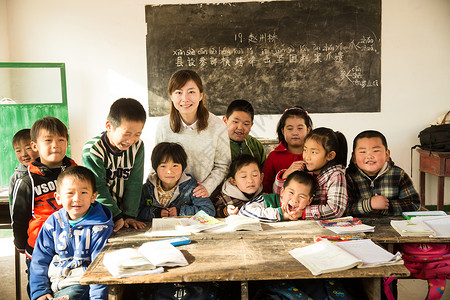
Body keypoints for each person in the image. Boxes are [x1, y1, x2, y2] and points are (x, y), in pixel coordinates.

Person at [11, 117, 76, 295]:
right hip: (39, 249)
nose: (55, 145)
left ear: (67, 143)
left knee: (70, 288)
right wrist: (22, 245)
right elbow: (19, 218)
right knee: (40, 288)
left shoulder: (76, 172)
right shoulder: (27, 181)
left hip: (73, 245)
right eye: (48, 140)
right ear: (35, 146)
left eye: (61, 140)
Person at [30, 166, 114, 300]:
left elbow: (99, 268)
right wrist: (40, 291)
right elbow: (39, 260)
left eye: (83, 193)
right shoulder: (53, 222)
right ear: (58, 197)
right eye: (70, 193)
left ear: (93, 197)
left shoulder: (99, 227)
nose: (77, 198)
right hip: (55, 284)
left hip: (81, 283)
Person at [155, 69, 231, 198]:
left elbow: (223, 165)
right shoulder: (163, 125)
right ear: (171, 96)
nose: (185, 99)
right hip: (170, 197)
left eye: (191, 92)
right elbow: (156, 164)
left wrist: (207, 187)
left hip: (203, 196)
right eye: (179, 92)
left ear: (201, 95)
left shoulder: (217, 126)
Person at [82, 98, 147, 232]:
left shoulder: (138, 146)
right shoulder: (93, 151)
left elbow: (135, 181)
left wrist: (129, 215)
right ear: (109, 126)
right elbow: (97, 187)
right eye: (126, 133)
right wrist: (116, 215)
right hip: (101, 213)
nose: (131, 140)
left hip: (126, 213)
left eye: (137, 134)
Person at [273, 127, 348, 219]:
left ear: (330, 155)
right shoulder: (302, 170)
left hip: (328, 228)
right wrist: (286, 175)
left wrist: (303, 213)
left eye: (314, 152)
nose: (307, 157)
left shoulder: (336, 176)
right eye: (305, 150)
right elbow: (278, 194)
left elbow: (335, 209)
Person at [345, 130, 420, 216]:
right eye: (362, 152)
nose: (369, 156)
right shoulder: (348, 177)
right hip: (357, 227)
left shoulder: (398, 174)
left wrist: (386, 207)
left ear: (387, 155)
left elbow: (414, 204)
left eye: (376, 151)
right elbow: (344, 208)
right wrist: (369, 205)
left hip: (391, 225)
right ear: (354, 157)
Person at [137, 142, 215, 221]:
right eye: (163, 166)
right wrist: (155, 213)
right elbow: (137, 211)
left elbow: (209, 210)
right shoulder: (147, 188)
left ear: (183, 167)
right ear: (155, 168)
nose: (169, 171)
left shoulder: (191, 187)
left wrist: (180, 211)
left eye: (175, 166)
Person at [262, 106, 312, 193]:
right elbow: (266, 187)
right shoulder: (273, 157)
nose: (295, 133)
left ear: (308, 130)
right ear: (282, 131)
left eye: (300, 128)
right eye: (290, 129)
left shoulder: (315, 155)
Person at [238, 171, 316, 222]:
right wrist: (280, 214)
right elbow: (244, 211)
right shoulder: (267, 200)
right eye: (291, 192)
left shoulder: (309, 212)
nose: (295, 200)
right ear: (282, 191)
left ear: (309, 200)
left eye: (302, 196)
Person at [222, 99, 266, 168]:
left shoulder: (256, 146)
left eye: (246, 124)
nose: (240, 128)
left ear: (251, 125)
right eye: (235, 122)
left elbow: (264, 173)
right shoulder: (216, 144)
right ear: (225, 121)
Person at [9, 129, 39, 207]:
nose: (23, 154)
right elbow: (13, 205)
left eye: (28, 148)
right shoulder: (16, 178)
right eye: (18, 151)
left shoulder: (47, 170)